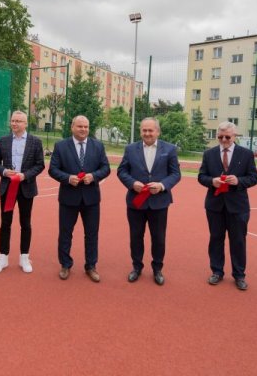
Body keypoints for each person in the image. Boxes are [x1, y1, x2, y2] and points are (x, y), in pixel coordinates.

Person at [117, 117, 181, 286]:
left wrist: (161, 185)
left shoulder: (170, 149)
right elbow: (122, 171)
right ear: (140, 132)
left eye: (150, 130)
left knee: (158, 238)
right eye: (144, 130)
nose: (147, 133)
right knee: (136, 236)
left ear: (157, 131)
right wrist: (132, 183)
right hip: (136, 202)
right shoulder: (130, 149)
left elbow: (175, 174)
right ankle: (136, 267)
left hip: (159, 202)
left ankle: (157, 269)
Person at [48, 115, 111, 282]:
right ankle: (65, 265)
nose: (83, 129)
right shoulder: (61, 146)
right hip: (69, 198)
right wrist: (68, 178)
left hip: (91, 199)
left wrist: (94, 176)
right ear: (72, 127)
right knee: (65, 233)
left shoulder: (97, 146)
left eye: (86, 127)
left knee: (92, 234)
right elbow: (53, 169)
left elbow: (106, 168)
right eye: (80, 126)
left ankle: (91, 266)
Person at [198, 121, 257, 291]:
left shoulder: (246, 154)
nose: (223, 139)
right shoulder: (209, 154)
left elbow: (254, 177)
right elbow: (201, 176)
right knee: (216, 239)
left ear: (234, 136)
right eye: (220, 137)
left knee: (238, 241)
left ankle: (239, 275)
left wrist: (239, 181)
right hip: (214, 206)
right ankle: (217, 271)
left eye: (227, 136)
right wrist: (212, 181)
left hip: (238, 207)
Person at [0, 110, 45, 274]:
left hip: (26, 187)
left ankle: (24, 257)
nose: (15, 124)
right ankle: (3, 256)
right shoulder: (4, 140)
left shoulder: (35, 142)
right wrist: (4, 172)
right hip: (7, 187)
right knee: (5, 223)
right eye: (13, 121)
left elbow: (40, 165)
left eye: (19, 121)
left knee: (25, 223)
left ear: (26, 123)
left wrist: (25, 175)